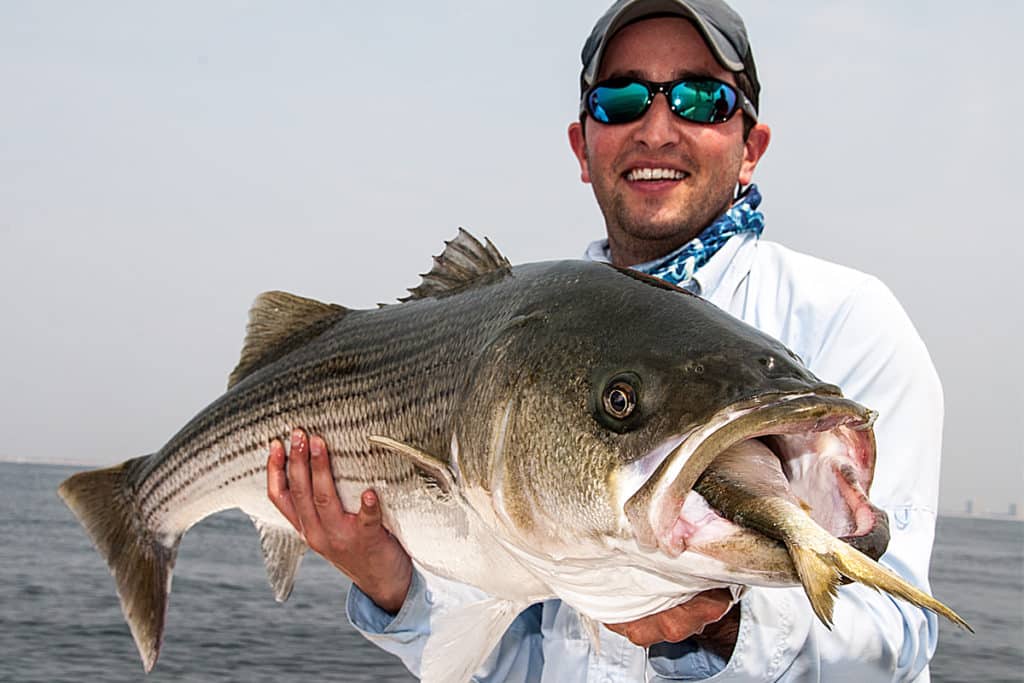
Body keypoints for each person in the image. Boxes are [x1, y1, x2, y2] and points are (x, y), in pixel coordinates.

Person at [266, 0, 945, 680]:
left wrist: (717, 624)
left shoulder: (850, 322)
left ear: (752, 146)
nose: (656, 128)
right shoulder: (531, 350)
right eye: (621, 98)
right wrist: (393, 586)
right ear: (582, 147)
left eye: (700, 98)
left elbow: (892, 645)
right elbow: (511, 667)